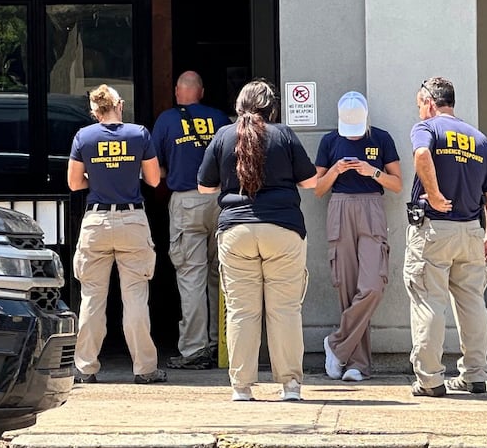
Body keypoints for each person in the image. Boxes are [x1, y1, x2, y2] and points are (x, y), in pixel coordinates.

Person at [197, 79, 317, 402]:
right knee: (285, 310)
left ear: (238, 108)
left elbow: (204, 187)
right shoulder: (284, 135)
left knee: (241, 311)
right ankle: (290, 386)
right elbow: (309, 180)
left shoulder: (223, 136)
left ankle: (241, 387)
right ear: (272, 108)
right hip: (283, 229)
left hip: (236, 232)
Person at [405, 76, 487, 397]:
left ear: (431, 102)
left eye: (420, 103)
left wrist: (433, 194)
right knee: (473, 302)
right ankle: (475, 375)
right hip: (472, 231)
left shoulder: (428, 129)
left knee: (428, 299)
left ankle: (430, 379)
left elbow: (421, 156)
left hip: (435, 228)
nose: (419, 109)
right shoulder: (480, 139)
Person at [68, 84, 166, 385]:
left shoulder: (84, 137)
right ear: (119, 105)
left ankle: (85, 368)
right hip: (132, 218)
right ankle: (145, 369)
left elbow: (73, 183)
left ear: (95, 111)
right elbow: (153, 179)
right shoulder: (139, 135)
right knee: (135, 296)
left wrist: (97, 177)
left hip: (96, 220)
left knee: (92, 298)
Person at [313, 91, 402, 381]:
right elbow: (317, 188)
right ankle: (356, 364)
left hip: (371, 206)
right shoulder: (329, 141)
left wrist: (372, 172)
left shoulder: (381, 138)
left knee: (372, 285)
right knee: (346, 287)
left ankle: (336, 344)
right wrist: (337, 170)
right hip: (340, 206)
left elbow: (397, 184)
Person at [150, 71, 231, 370]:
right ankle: (218, 344)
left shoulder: (167, 120)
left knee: (191, 276)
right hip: (221, 200)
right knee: (217, 274)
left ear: (177, 92)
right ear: (202, 91)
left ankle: (194, 349)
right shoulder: (220, 119)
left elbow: (154, 169)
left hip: (186, 200)